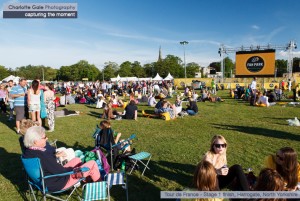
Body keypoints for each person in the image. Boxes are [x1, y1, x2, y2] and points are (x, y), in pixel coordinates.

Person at [23, 126, 101, 192]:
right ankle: (101, 188)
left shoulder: (29, 152)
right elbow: (59, 171)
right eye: (44, 137)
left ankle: (87, 180)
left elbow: (51, 166)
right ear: (36, 141)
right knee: (92, 164)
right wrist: (74, 169)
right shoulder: (43, 156)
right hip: (58, 182)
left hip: (47, 180)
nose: (47, 139)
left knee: (77, 160)